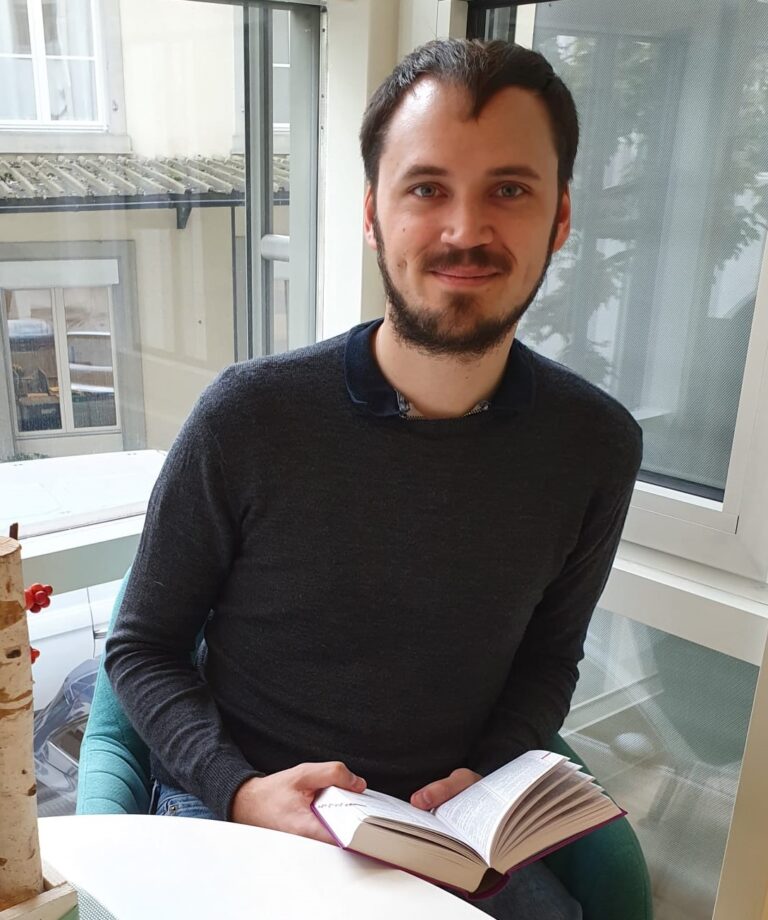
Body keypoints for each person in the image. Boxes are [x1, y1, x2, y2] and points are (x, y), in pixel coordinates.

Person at [105, 39, 642, 920]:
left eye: (509, 190)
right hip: (246, 813)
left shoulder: (596, 446)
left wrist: (487, 776)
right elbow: (142, 647)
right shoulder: (249, 417)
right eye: (426, 188)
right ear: (372, 214)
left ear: (559, 219)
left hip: (447, 835)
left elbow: (549, 659)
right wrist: (238, 790)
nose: (465, 231)